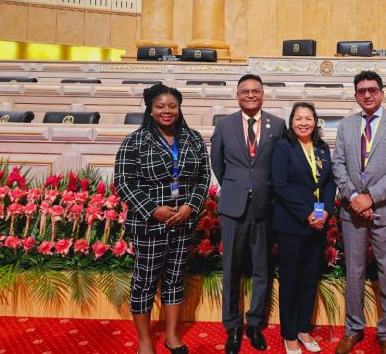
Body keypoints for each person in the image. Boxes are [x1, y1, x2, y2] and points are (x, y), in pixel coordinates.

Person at [114, 84, 211, 354]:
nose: (167, 111)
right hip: (149, 224)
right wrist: (152, 209)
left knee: (175, 278)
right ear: (151, 109)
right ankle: (145, 341)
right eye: (160, 106)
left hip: (183, 223)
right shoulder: (135, 140)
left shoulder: (193, 138)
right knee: (144, 281)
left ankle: (171, 336)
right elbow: (123, 182)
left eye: (172, 106)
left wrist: (191, 206)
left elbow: (204, 177)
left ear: (179, 109)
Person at [332, 71, 386, 354]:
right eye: (362, 90)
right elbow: (338, 165)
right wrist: (354, 197)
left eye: (373, 89)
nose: (367, 94)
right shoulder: (346, 126)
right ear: (355, 95)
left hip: (385, 211)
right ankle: (353, 329)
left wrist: (370, 198)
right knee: (353, 273)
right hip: (352, 211)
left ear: (382, 92)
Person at [210, 73, 286, 354]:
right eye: (245, 91)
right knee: (231, 267)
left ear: (263, 94)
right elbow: (217, 162)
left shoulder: (277, 125)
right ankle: (232, 326)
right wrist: (236, 186)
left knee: (262, 268)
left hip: (265, 206)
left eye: (255, 91)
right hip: (233, 206)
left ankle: (254, 323)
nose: (250, 95)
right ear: (237, 95)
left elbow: (280, 163)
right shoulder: (224, 124)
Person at [271, 102, 337, 354]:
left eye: (308, 118)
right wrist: (307, 213)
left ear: (315, 121)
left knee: (310, 279)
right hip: (291, 224)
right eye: (298, 118)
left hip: (317, 225)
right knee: (290, 281)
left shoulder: (321, 148)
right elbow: (281, 185)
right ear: (291, 122)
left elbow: (328, 183)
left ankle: (303, 329)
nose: (303, 123)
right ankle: (289, 333)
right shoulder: (283, 147)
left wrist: (325, 212)